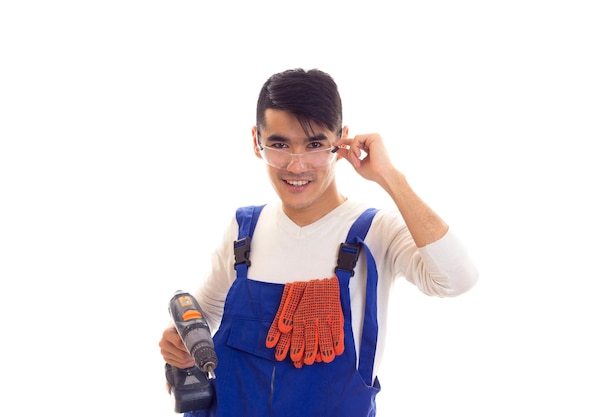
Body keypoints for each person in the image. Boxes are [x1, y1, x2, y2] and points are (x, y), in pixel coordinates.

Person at [159, 68, 478, 417]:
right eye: (279, 145)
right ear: (256, 141)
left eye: (314, 145)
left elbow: (457, 279)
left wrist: (390, 177)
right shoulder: (243, 231)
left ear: (341, 141)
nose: (297, 166)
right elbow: (203, 314)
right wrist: (179, 345)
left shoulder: (375, 233)